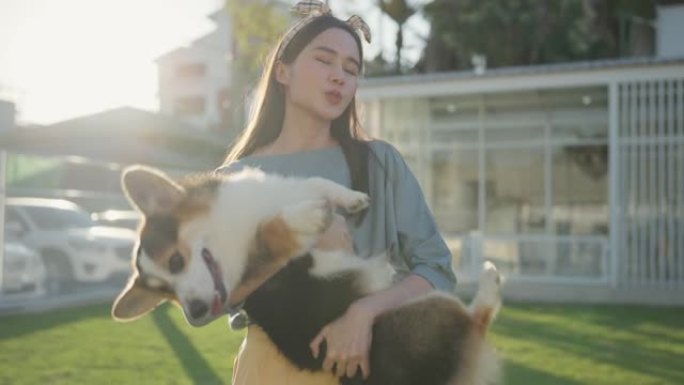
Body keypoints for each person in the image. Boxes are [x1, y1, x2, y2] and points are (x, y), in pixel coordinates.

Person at [216, 1, 456, 384]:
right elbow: (213, 298)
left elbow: (436, 269)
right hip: (272, 368)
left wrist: (363, 312)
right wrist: (295, 240)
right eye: (324, 61)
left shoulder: (380, 163)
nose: (339, 77)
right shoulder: (236, 178)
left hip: (369, 364)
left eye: (351, 69)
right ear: (282, 71)